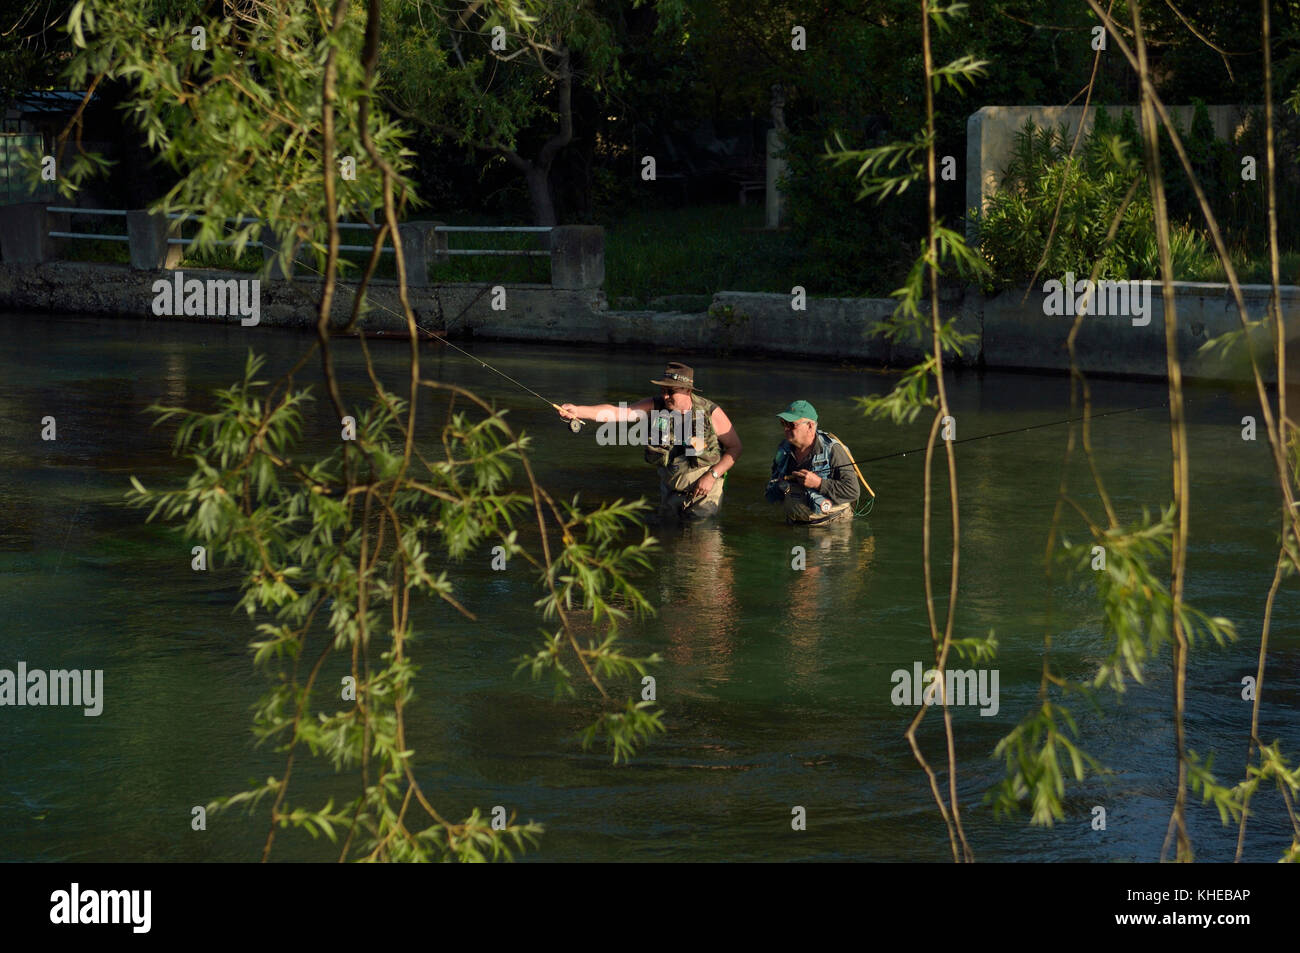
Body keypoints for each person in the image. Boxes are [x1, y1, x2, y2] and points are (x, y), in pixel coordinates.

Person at [558, 362, 743, 520]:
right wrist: (578, 410)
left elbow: (735, 448)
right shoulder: (656, 405)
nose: (665, 396)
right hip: (670, 492)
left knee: (701, 544)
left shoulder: (711, 412)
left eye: (670, 391)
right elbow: (617, 413)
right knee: (670, 547)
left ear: (687, 390)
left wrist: (712, 476)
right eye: (663, 390)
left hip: (704, 493)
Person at [765, 400, 861, 525]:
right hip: (794, 524)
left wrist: (819, 483)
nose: (786, 428)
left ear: (810, 426)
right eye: (783, 423)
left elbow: (853, 491)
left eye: (791, 424)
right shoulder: (784, 449)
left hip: (832, 526)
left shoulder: (834, 450)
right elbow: (773, 482)